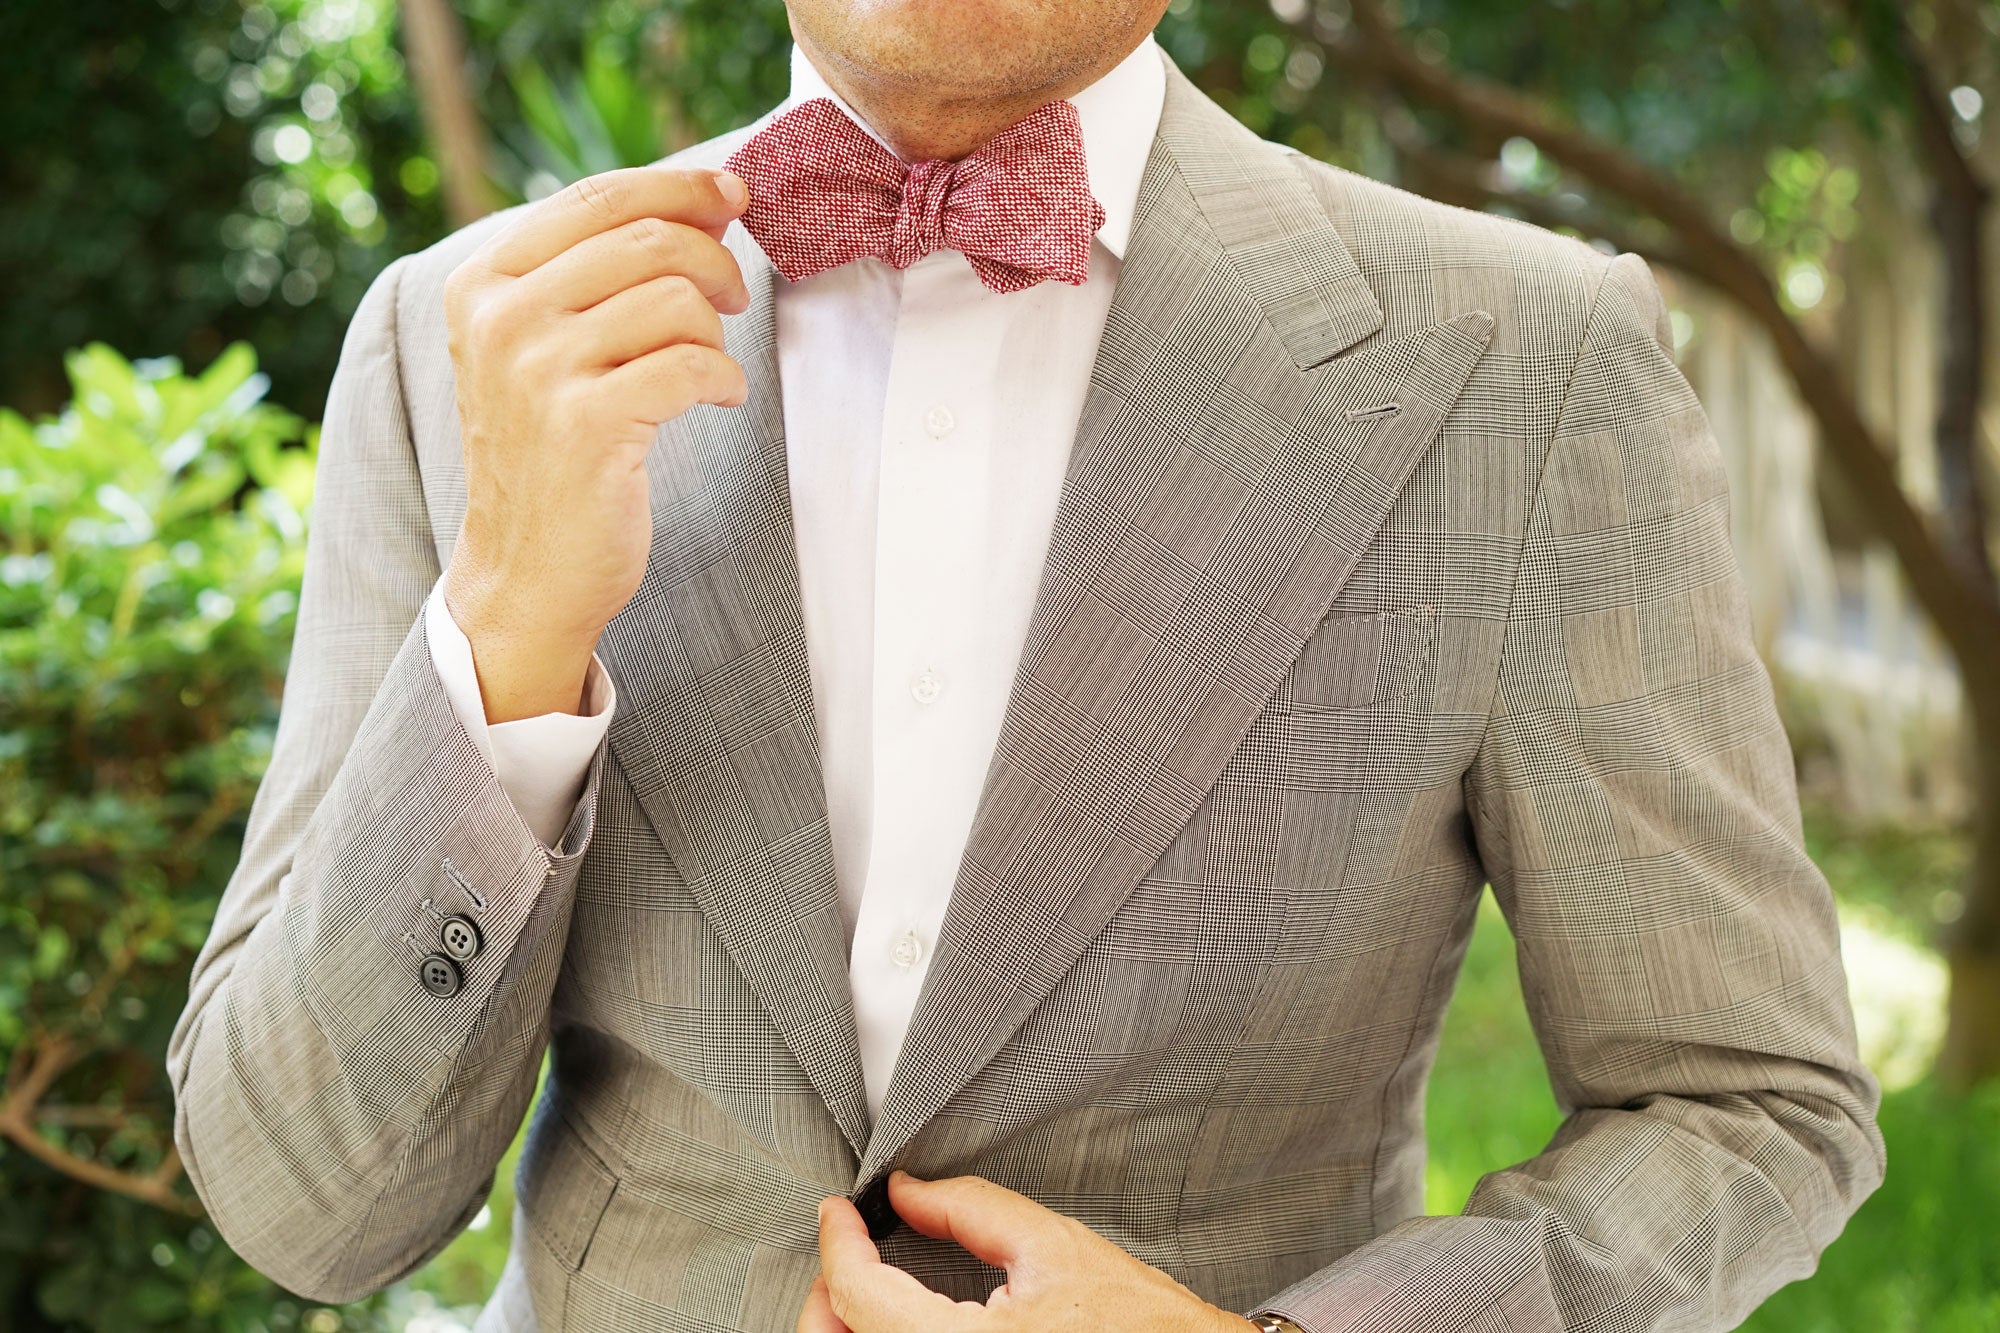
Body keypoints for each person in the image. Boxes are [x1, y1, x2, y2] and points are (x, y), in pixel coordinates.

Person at [168, 2, 1886, 1330]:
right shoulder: (453, 341)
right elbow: (304, 1202)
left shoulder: (1525, 365)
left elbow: (1747, 1100)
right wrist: (508, 630)